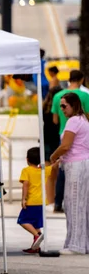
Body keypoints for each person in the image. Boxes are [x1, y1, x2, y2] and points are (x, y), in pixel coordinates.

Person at [50, 93, 89, 255]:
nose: (62, 109)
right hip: (82, 164)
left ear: (73, 105)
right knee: (82, 206)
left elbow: (66, 145)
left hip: (76, 167)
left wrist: (53, 156)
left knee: (73, 205)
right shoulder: (84, 120)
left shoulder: (73, 121)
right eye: (61, 106)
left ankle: (75, 245)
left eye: (64, 106)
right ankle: (81, 243)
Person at [51, 70, 89, 212]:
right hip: (81, 140)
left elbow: (55, 120)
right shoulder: (85, 96)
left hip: (64, 135)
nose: (62, 109)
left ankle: (57, 203)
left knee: (63, 176)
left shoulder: (57, 96)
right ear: (81, 80)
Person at [18, 147, 58, 254]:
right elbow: (54, 166)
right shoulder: (44, 170)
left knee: (22, 220)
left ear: (27, 159)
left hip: (32, 201)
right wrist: (58, 159)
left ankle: (37, 236)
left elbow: (25, 184)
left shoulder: (26, 170)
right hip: (41, 201)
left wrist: (23, 199)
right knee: (36, 224)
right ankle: (35, 247)